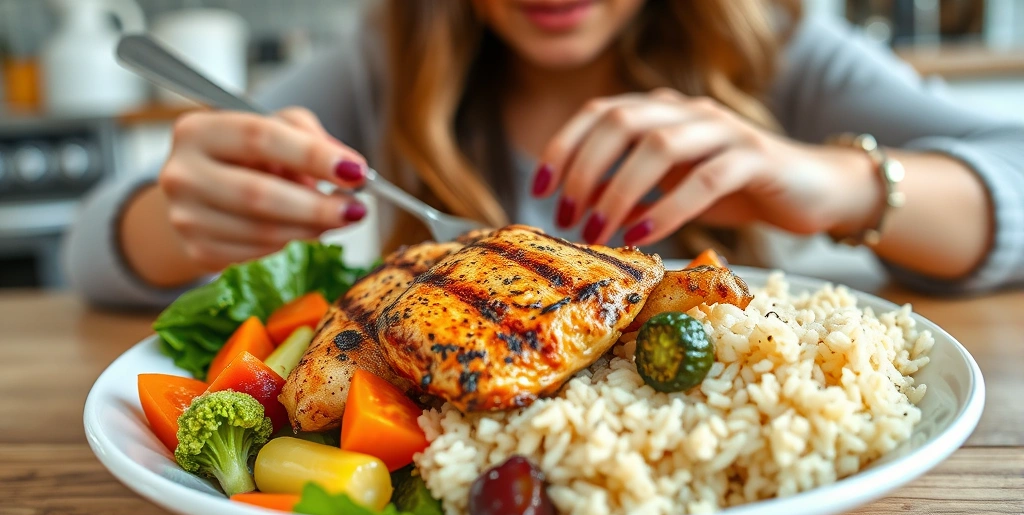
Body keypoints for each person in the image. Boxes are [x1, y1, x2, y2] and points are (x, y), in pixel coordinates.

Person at [65, 0, 1024, 307]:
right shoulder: (381, 61)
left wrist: (843, 184)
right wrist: (185, 218)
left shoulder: (777, 41)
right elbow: (86, 254)